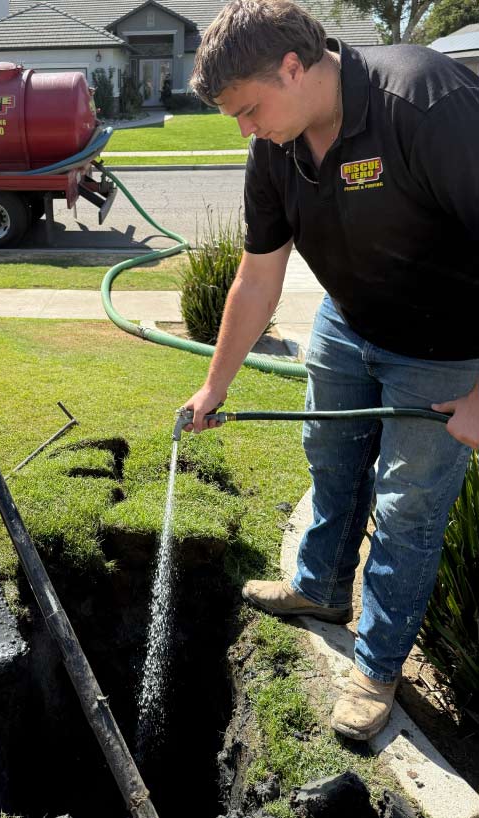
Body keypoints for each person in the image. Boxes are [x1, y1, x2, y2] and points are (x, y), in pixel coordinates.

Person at [183, 0, 479, 741]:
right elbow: (257, 277)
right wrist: (215, 384)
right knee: (330, 459)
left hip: (444, 351)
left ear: (294, 66)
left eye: (249, 109)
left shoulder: (424, 102)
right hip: (348, 324)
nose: (247, 130)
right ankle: (319, 588)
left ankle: (376, 668)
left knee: (408, 510)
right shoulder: (274, 147)